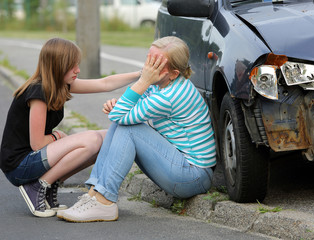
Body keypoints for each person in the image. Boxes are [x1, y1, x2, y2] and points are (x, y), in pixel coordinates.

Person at [57, 36, 217, 223]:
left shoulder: (169, 97)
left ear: (173, 73)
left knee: (128, 128)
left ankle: (104, 200)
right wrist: (120, 104)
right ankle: (95, 194)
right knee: (123, 123)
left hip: (193, 177)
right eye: (148, 59)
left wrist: (142, 82)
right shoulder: (163, 85)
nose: (148, 68)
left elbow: (120, 115)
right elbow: (128, 110)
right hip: (181, 167)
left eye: (156, 64)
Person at [0, 37, 142, 218]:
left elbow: (104, 84)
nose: (78, 70)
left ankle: (51, 184)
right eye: (72, 66)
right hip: (19, 166)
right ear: (58, 66)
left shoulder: (59, 85)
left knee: (108, 138)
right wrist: (58, 136)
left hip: (36, 159)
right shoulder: (38, 91)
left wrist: (141, 75)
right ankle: (37, 186)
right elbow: (37, 144)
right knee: (91, 140)